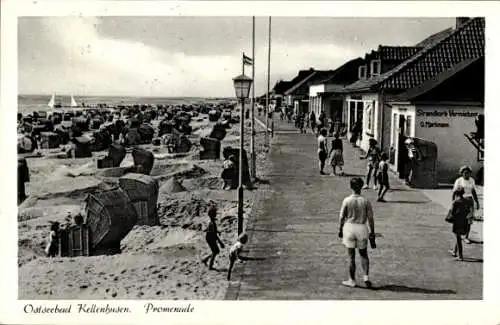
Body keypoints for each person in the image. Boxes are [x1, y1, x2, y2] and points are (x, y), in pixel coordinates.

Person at [339, 177, 375, 288]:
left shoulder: (347, 200)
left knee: (351, 256)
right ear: (361, 186)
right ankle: (366, 277)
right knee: (364, 255)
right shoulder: (365, 201)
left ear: (350, 187)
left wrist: (340, 229)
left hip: (349, 227)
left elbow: (341, 218)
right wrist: (372, 232)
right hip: (362, 228)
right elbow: (370, 218)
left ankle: (352, 280)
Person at [452, 166, 480, 244]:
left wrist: (477, 202)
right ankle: (460, 235)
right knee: (461, 219)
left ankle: (466, 237)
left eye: (468, 173)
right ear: (462, 173)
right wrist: (453, 203)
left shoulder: (472, 180)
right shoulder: (459, 181)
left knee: (469, 220)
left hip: (469, 201)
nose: (467, 174)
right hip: (461, 201)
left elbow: (473, 191)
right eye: (465, 173)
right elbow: (454, 192)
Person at [447, 186, 471, 261]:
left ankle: (460, 256)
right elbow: (468, 211)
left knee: (458, 238)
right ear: (463, 193)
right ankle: (454, 251)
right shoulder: (467, 201)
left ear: (456, 194)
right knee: (459, 236)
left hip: (457, 221)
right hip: (464, 221)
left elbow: (452, 213)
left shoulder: (455, 202)